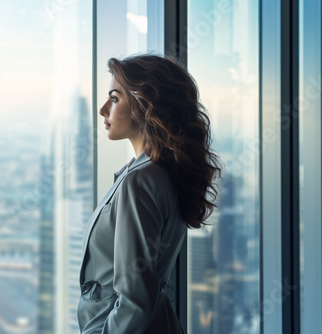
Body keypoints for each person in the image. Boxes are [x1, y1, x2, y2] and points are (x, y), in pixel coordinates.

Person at [77, 53, 222, 333]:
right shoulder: (162, 172)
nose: (103, 109)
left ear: (145, 105)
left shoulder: (140, 181)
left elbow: (134, 301)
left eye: (115, 98)